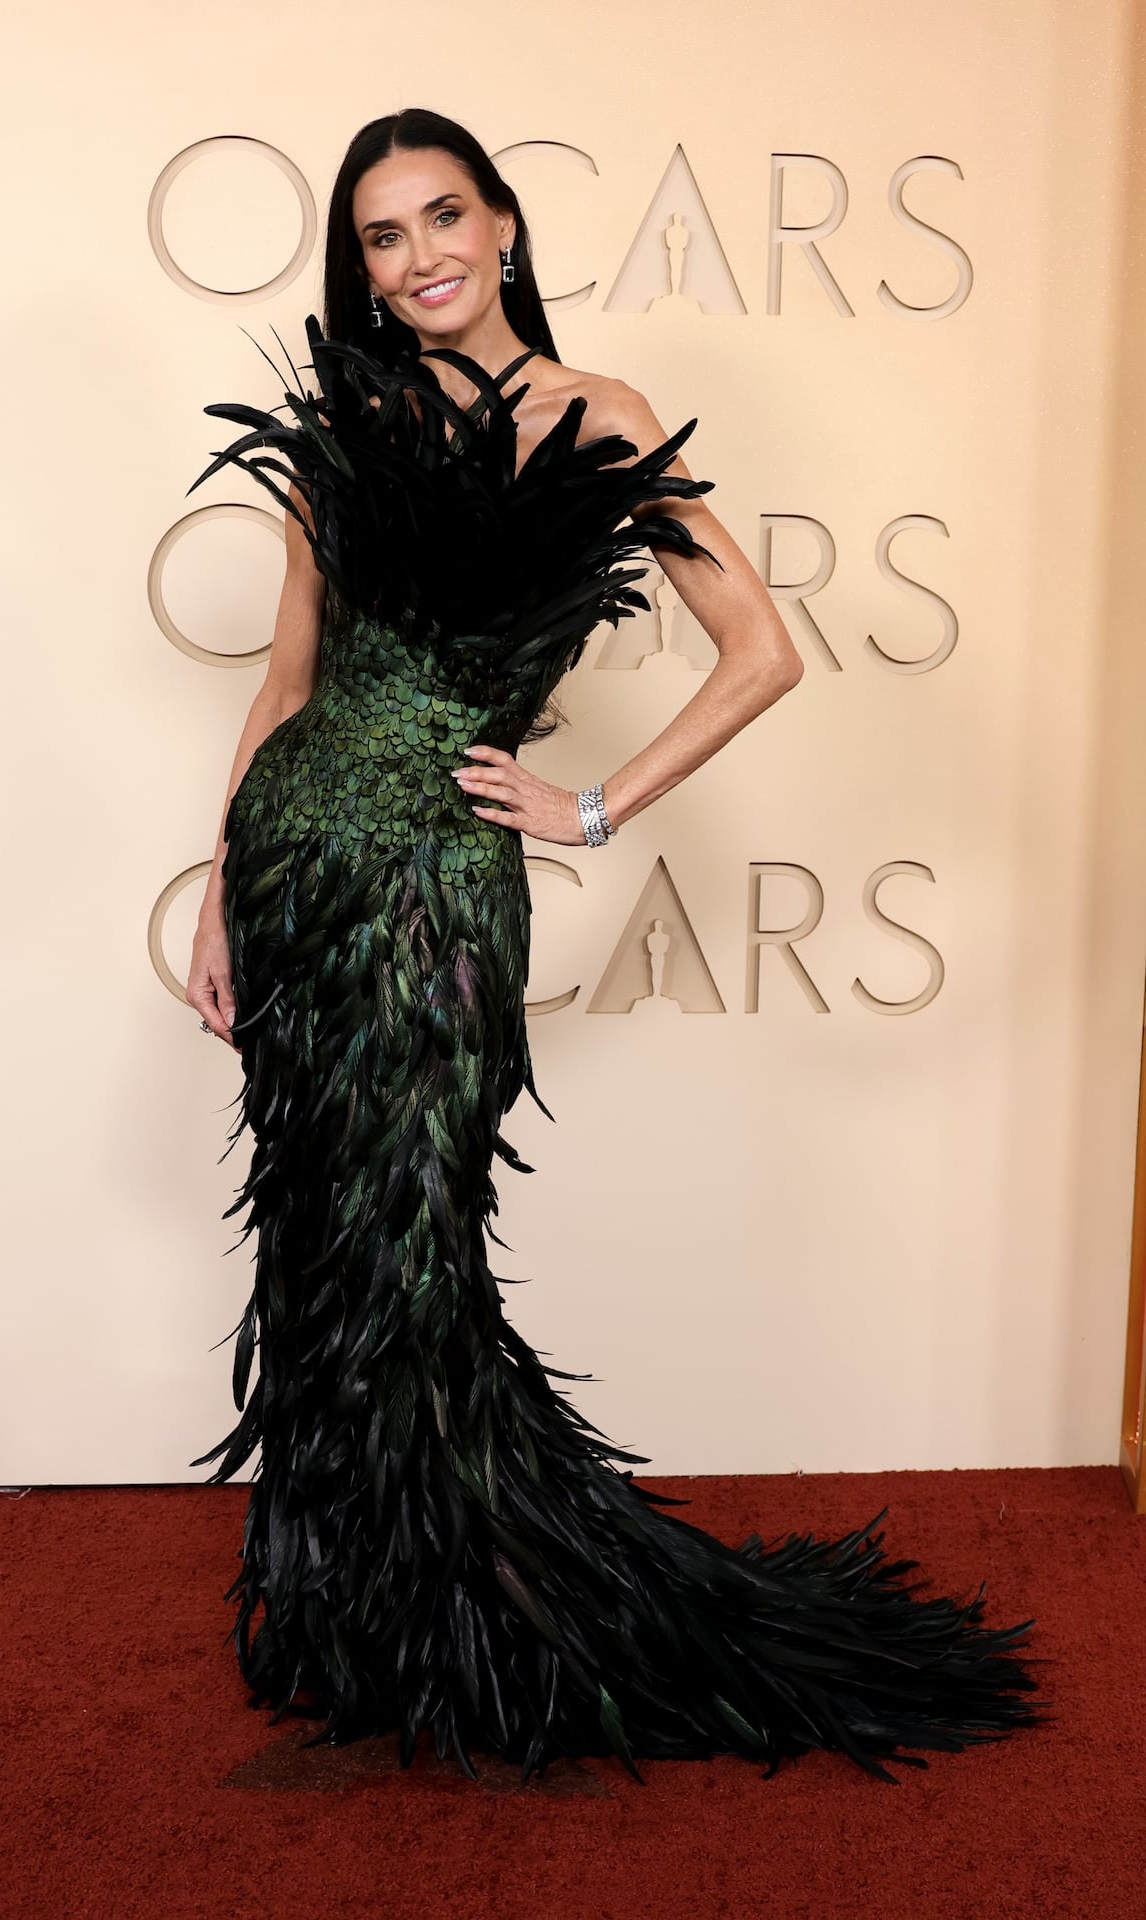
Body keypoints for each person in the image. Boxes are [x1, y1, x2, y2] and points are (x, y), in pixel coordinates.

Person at [183, 107, 1049, 1786]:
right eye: (382, 236)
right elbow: (285, 684)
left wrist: (591, 810)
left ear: (503, 226)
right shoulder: (346, 422)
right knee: (316, 1256)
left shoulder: (603, 418)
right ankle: (376, 1618)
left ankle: (497, 1612)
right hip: (298, 862)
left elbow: (762, 649)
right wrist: (221, 888)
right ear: (359, 270)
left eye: (444, 216)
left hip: (439, 884)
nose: (420, 256)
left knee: (412, 1253)